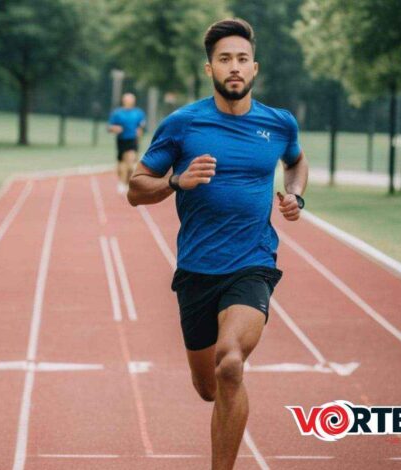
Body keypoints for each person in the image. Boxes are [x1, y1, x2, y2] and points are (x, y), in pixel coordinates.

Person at [127, 19, 308, 470]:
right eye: (225, 59)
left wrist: (296, 194)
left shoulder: (278, 123)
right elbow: (136, 188)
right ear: (210, 68)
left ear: (254, 68)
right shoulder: (183, 124)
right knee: (208, 386)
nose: (234, 67)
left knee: (231, 364)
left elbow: (297, 161)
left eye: (242, 59)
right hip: (196, 270)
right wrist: (176, 180)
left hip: (253, 264)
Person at [108, 93, 146, 193]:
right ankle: (122, 182)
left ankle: (125, 183)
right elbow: (109, 127)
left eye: (131, 100)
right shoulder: (117, 113)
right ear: (124, 101)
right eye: (128, 100)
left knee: (130, 162)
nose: (130, 101)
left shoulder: (138, 113)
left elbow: (141, 126)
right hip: (121, 140)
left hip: (133, 140)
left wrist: (140, 132)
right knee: (121, 165)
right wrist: (115, 128)